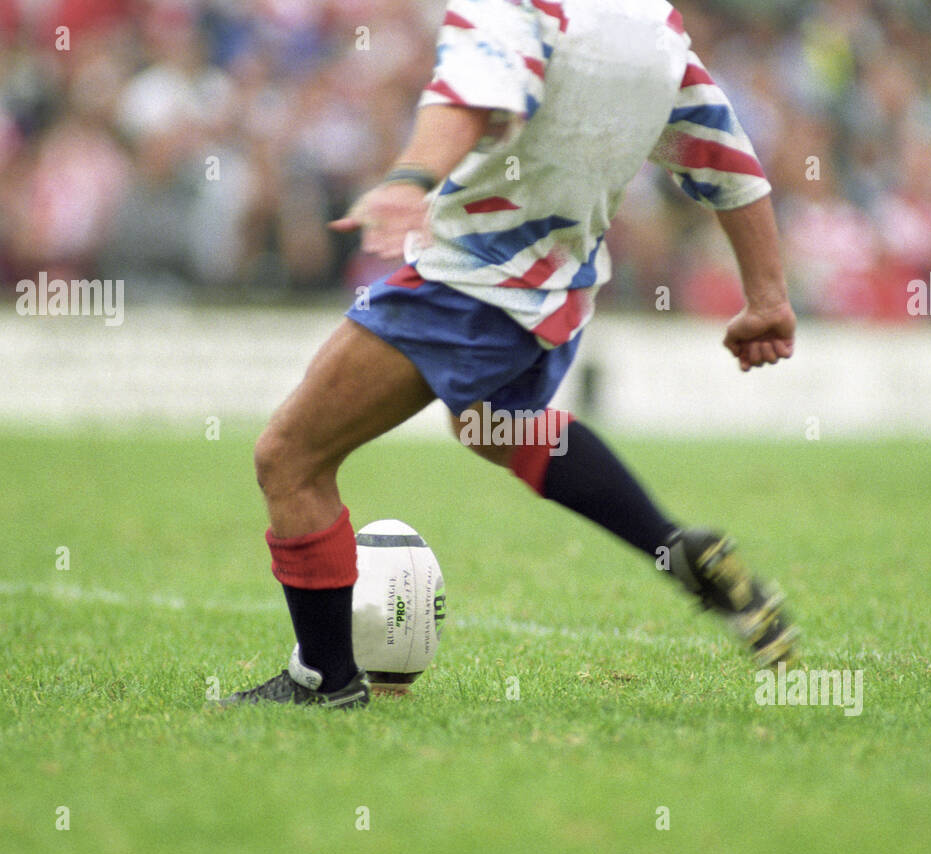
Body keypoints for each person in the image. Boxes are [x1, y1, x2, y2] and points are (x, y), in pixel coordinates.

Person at [226, 0, 799, 708]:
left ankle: (326, 678)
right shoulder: (656, 26)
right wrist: (767, 297)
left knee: (289, 456)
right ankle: (672, 546)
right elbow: (724, 156)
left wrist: (410, 177)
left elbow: (473, 92)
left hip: (465, 282)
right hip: (557, 292)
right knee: (494, 427)